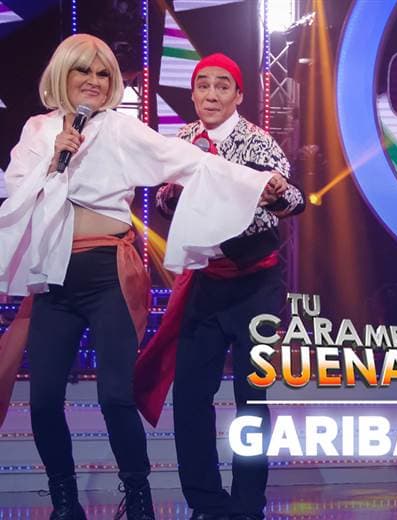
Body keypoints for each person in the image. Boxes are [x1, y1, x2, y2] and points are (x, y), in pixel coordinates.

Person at [0, 35, 279, 520]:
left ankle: (140, 496)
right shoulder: (38, 129)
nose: (93, 81)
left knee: (116, 396)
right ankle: (65, 499)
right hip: (54, 276)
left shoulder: (121, 129)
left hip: (110, 272)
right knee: (42, 401)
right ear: (62, 73)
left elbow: (188, 161)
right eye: (83, 70)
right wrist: (52, 157)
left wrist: (257, 182)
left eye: (103, 73)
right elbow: (15, 189)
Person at [133, 53, 304, 520]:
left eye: (222, 86)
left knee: (252, 396)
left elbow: (295, 199)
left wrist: (275, 195)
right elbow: (163, 199)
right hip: (205, 282)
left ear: (238, 95)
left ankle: (248, 503)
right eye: (203, 85)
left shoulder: (258, 141)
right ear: (193, 94)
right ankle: (206, 501)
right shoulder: (184, 140)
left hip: (256, 284)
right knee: (190, 393)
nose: (211, 94)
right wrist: (175, 194)